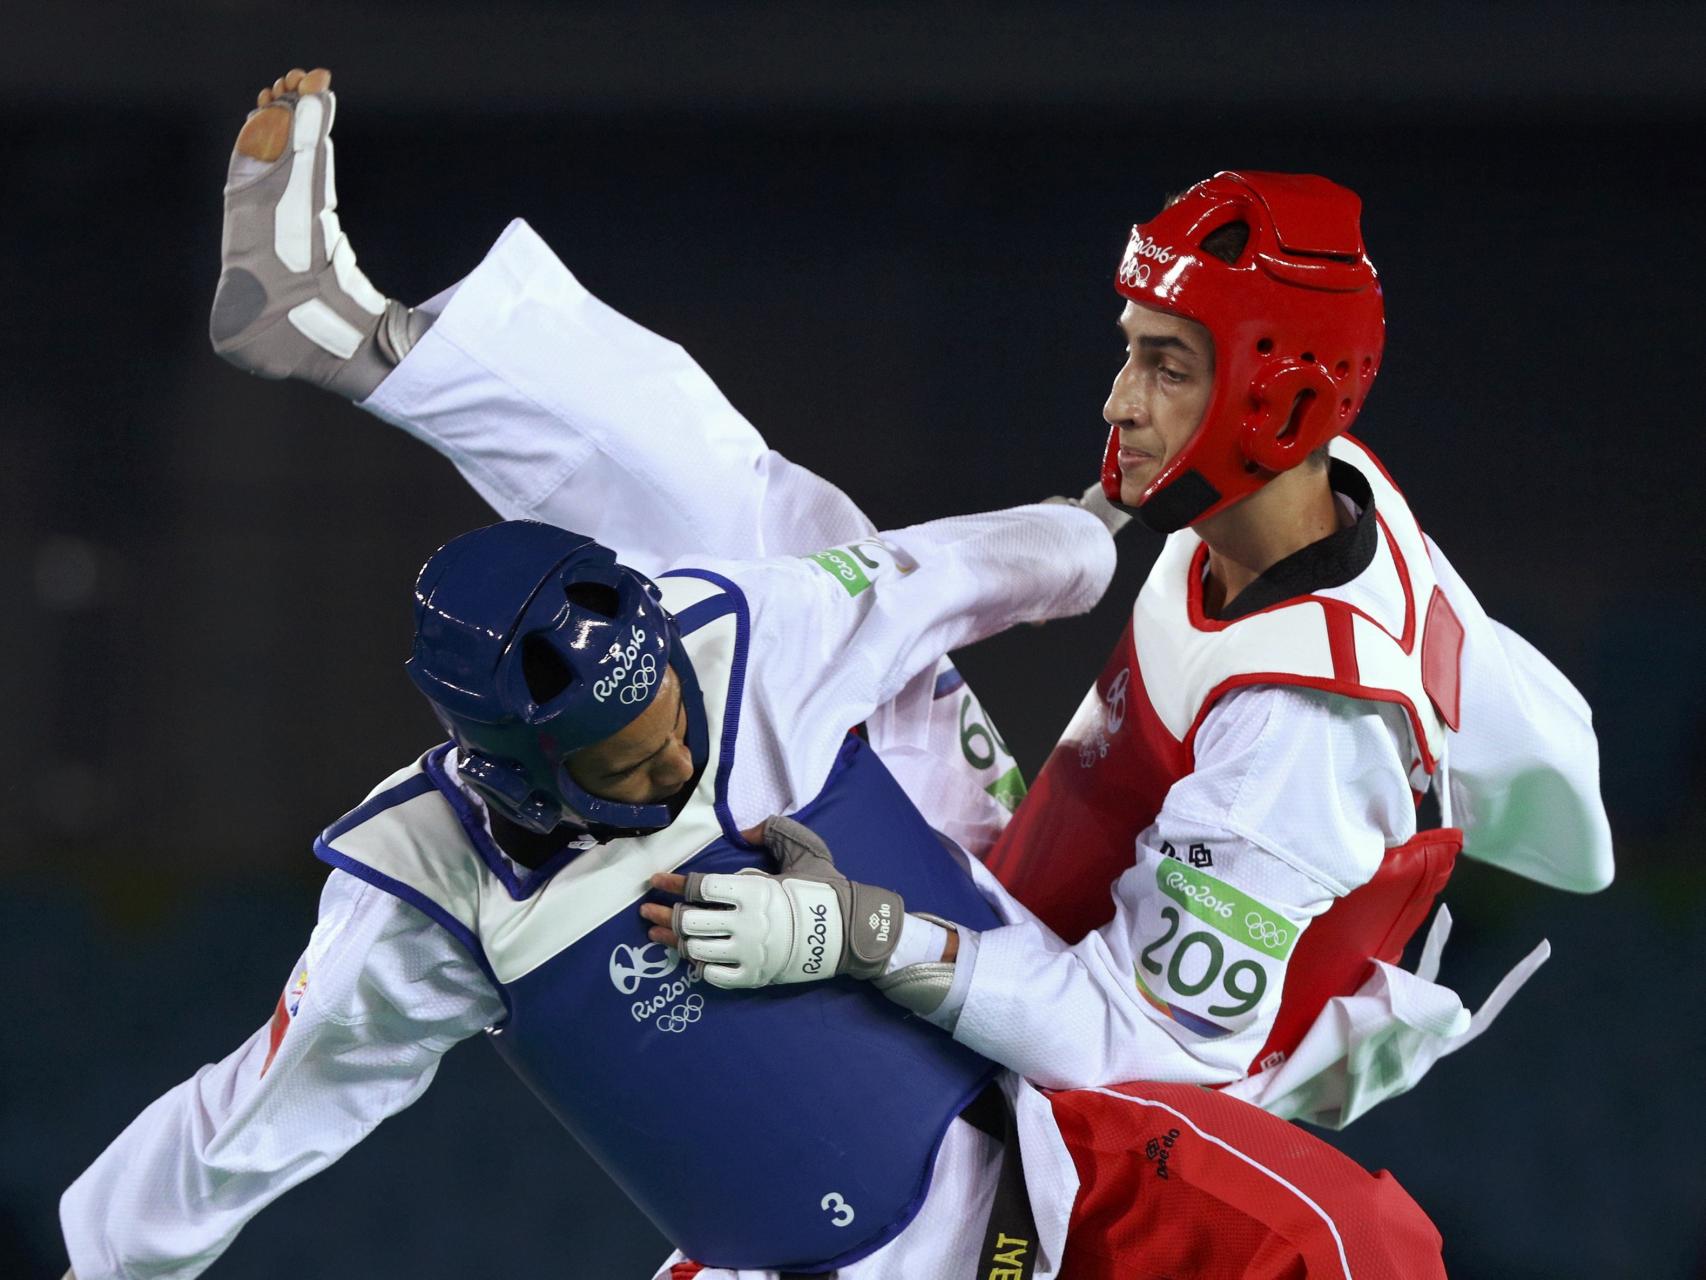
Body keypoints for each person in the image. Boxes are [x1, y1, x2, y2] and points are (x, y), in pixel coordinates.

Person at [57, 70, 1456, 1280]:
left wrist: (1088, 536)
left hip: (1011, 1016)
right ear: (511, 770)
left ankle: (348, 330)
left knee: (769, 519)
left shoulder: (733, 638)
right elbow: (240, 1123)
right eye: (630, 767)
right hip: (944, 1110)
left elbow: (948, 571)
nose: (679, 763)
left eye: (670, 717)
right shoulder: (425, 895)